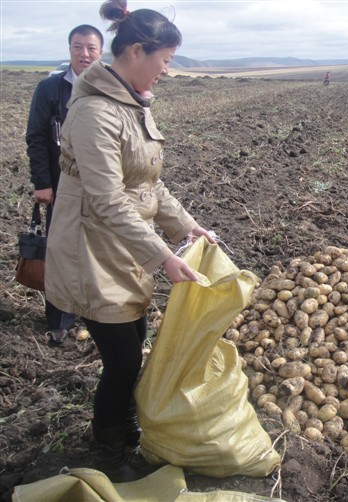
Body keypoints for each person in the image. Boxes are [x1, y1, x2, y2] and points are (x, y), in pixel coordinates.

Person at [45, 0, 215, 482]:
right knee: (120, 357)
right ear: (137, 51)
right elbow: (105, 199)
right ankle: (109, 449)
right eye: (164, 59)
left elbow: (147, 185)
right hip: (92, 249)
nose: (167, 70)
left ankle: (124, 426)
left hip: (123, 245)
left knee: (132, 344)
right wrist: (162, 255)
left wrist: (185, 227)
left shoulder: (131, 102)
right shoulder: (95, 111)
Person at [26, 24, 104, 345]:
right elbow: (36, 137)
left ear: (101, 51)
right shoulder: (50, 89)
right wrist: (43, 183)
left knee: (96, 251)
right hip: (62, 186)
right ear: (69, 49)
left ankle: (96, 314)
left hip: (101, 188)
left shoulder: (111, 88)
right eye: (77, 47)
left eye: (91, 48)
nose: (84, 54)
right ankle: (59, 320)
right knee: (60, 253)